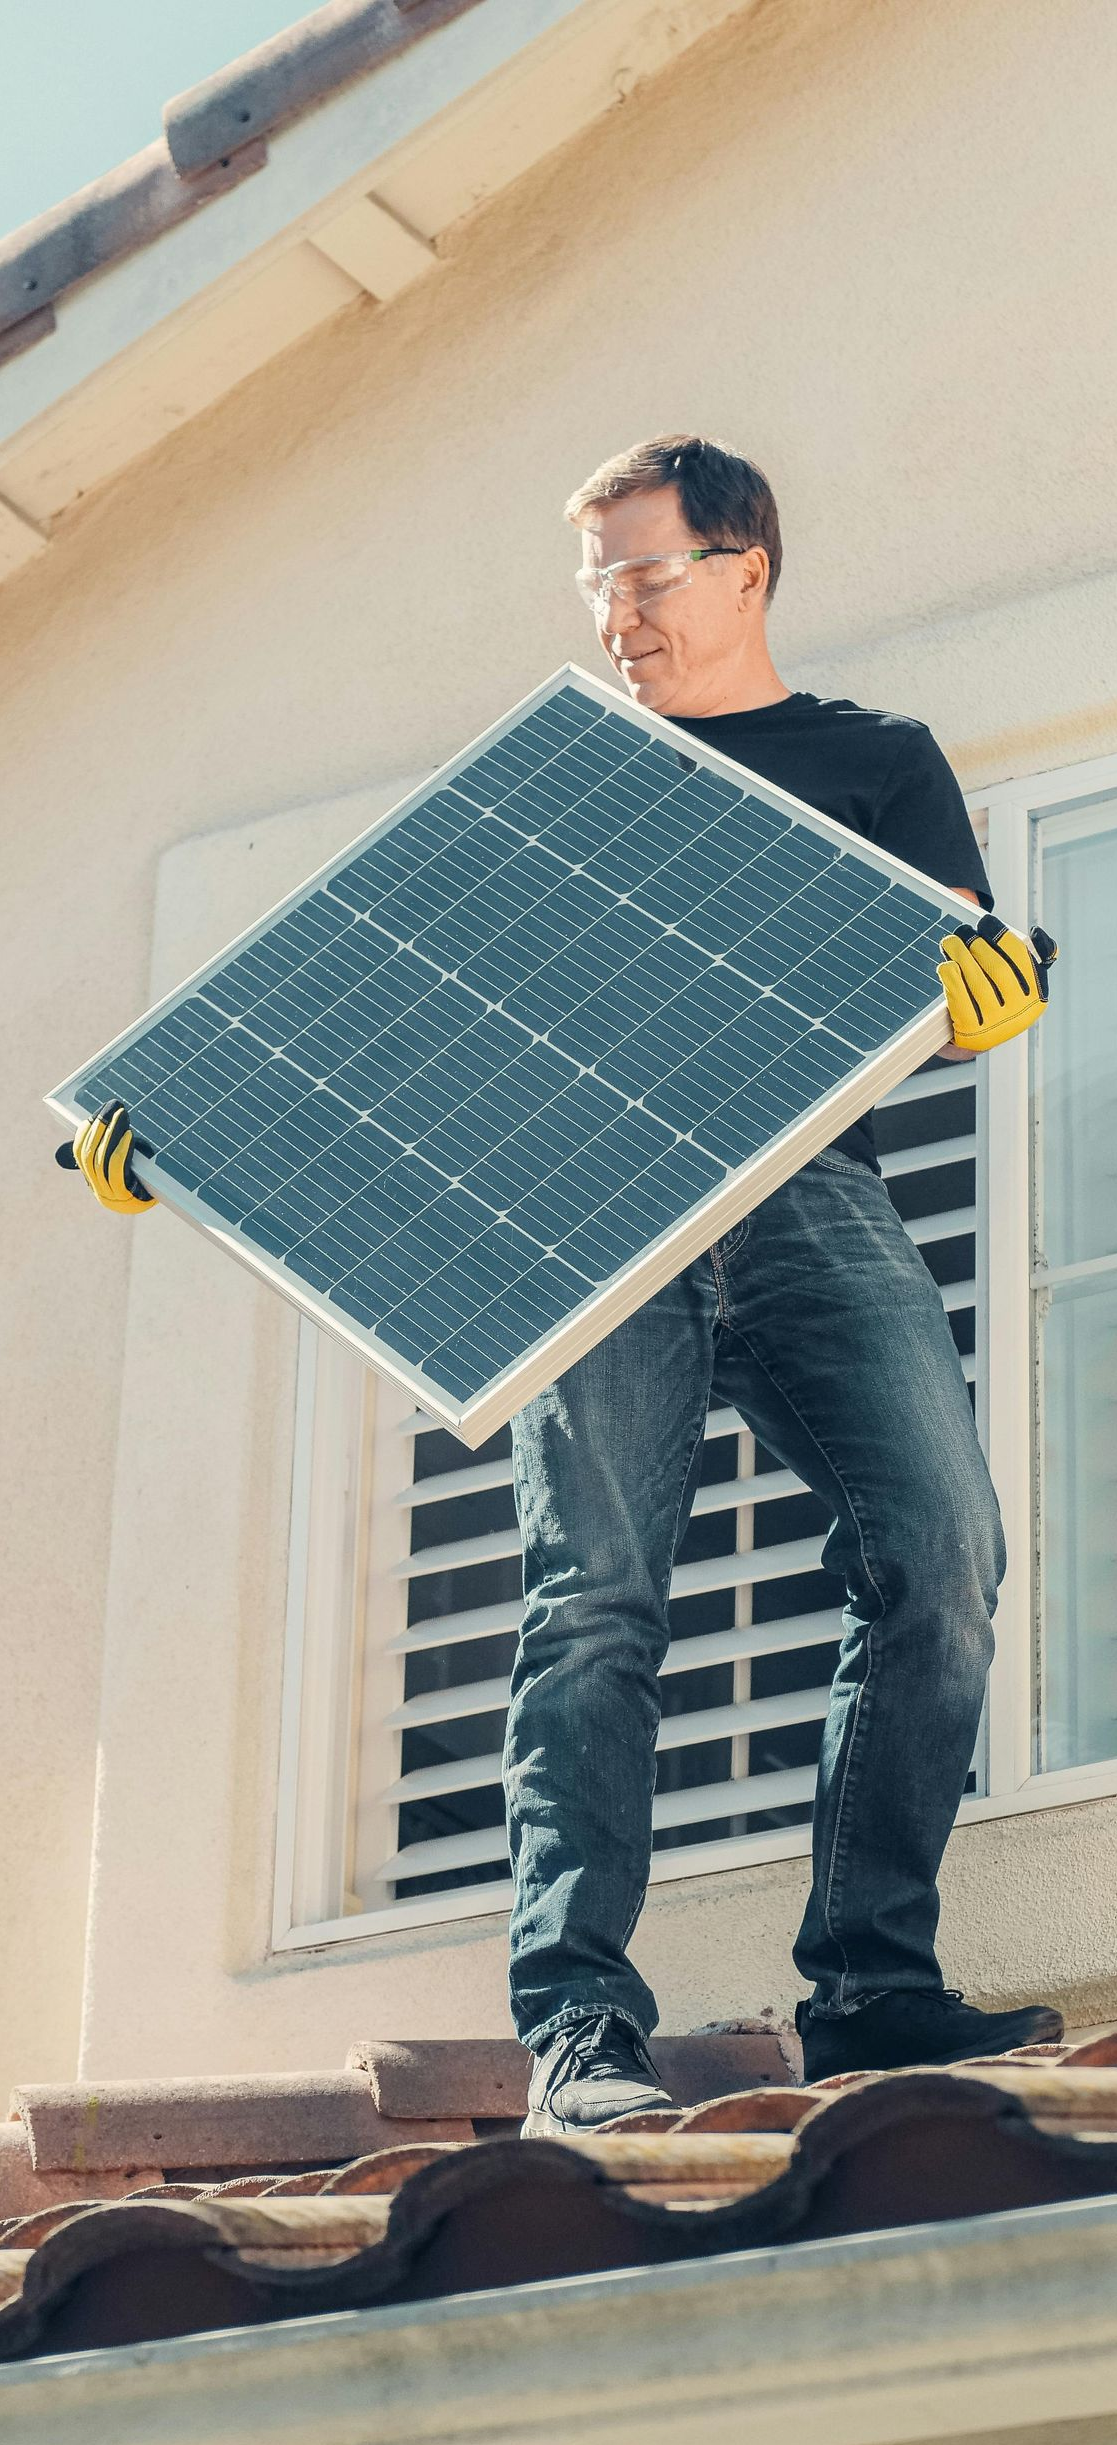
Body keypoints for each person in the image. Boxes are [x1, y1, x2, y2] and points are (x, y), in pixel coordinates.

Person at [64, 433, 1060, 2135]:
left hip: (810, 1193)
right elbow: (366, 1030)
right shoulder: (560, 795)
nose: (617, 615)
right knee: (591, 1599)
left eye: (647, 574)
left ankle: (876, 1986)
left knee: (944, 1553)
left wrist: (994, 981)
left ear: (744, 569)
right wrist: (171, 1130)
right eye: (595, 581)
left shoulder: (871, 761)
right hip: (601, 1225)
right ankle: (579, 2028)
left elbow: (953, 943)